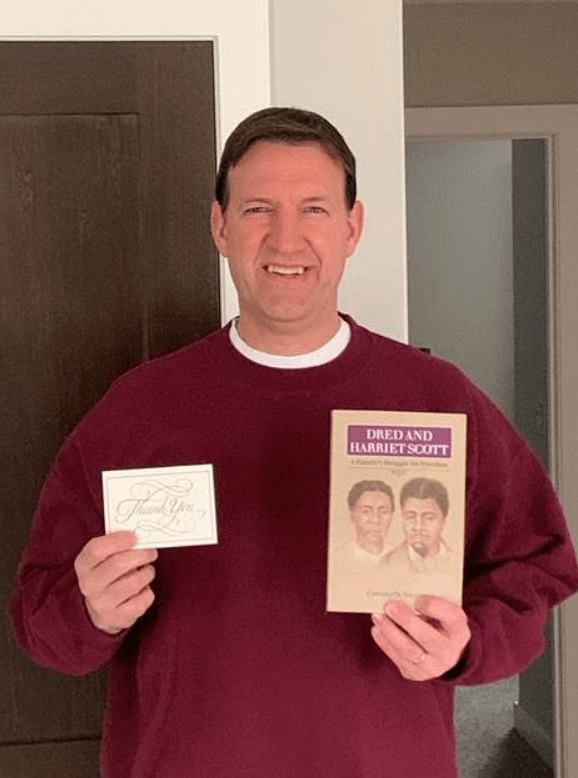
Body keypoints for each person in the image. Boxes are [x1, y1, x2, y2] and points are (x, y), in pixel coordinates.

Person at [10, 107, 578, 778]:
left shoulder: (435, 398)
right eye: (257, 210)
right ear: (220, 225)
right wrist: (89, 610)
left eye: (313, 209)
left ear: (352, 227)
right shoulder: (138, 410)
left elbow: (537, 566)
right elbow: (41, 621)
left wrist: (466, 643)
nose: (286, 239)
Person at [386, 477, 456, 575]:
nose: (418, 527)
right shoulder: (386, 564)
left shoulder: (458, 562)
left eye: (429, 518)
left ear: (444, 520)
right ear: (402, 518)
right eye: (411, 517)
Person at [335, 479, 395, 570]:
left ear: (391, 515)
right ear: (352, 515)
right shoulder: (338, 561)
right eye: (366, 511)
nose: (376, 519)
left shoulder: (400, 559)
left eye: (383, 512)